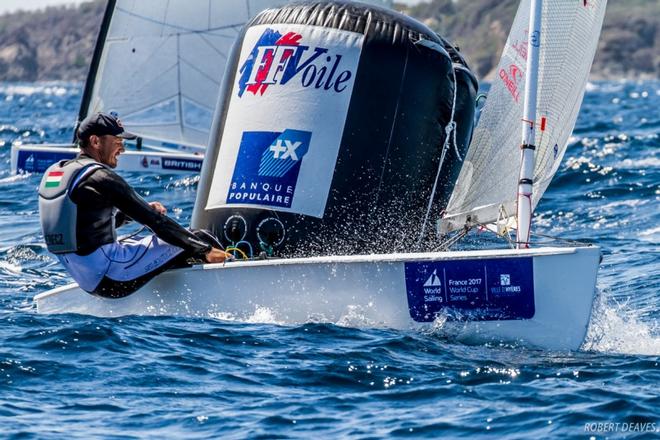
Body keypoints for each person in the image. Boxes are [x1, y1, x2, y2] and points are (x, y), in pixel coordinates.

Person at [38, 112, 231, 298]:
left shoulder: (61, 173)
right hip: (112, 279)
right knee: (199, 238)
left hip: (87, 279)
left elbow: (84, 227)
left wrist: (133, 214)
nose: (122, 149)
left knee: (175, 245)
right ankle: (233, 279)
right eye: (118, 142)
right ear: (95, 142)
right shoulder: (101, 178)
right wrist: (205, 250)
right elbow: (157, 222)